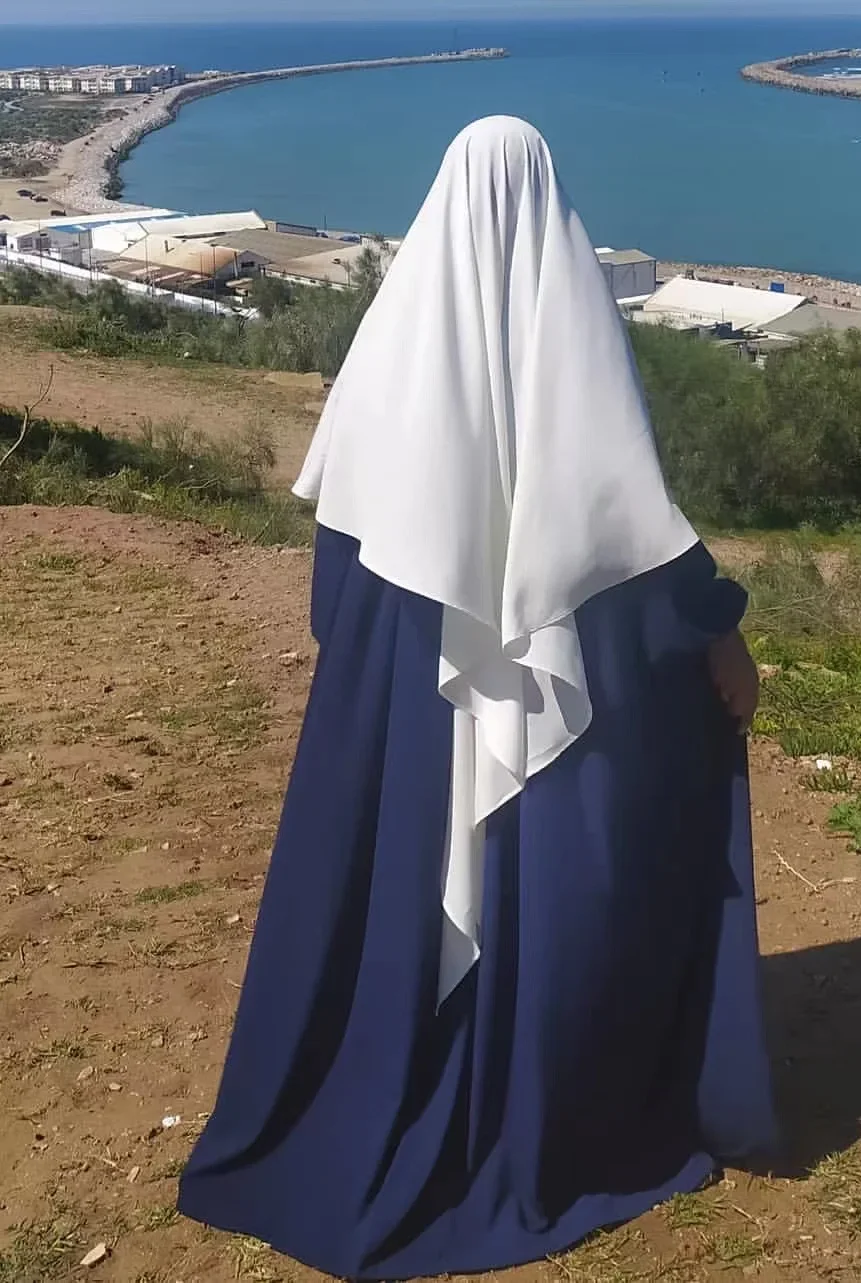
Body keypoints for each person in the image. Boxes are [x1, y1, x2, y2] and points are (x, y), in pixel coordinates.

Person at [178, 115, 775, 1281]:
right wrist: (721, 634)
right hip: (558, 722)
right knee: (566, 885)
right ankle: (547, 1092)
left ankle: (398, 1072)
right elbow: (634, 547)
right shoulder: (578, 350)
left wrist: (401, 691)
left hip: (409, 707)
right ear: (552, 213)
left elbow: (338, 584)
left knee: (408, 886)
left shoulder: (388, 358)